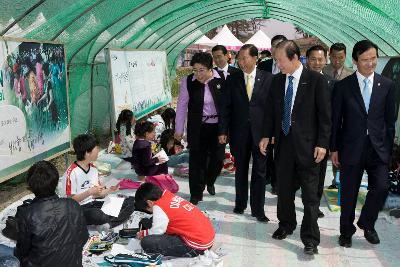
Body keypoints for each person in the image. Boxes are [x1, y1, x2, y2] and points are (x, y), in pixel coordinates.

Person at [259, 40, 331, 255]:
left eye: (280, 60)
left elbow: (325, 117)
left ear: (293, 58)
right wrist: (266, 135)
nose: (277, 64)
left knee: (310, 197)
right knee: (284, 191)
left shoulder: (317, 81)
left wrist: (322, 144)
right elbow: (270, 112)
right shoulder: (276, 81)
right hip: (284, 143)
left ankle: (310, 239)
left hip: (309, 147)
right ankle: (286, 224)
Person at [330, 40, 396, 247]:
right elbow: (335, 121)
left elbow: (389, 121)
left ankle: (367, 223)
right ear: (355, 60)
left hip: (378, 148)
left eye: (373, 58)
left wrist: (390, 151)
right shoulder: (343, 87)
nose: (370, 63)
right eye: (365, 59)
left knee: (382, 186)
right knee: (349, 191)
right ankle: (346, 232)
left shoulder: (387, 86)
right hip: (351, 147)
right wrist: (334, 148)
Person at [219, 44, 273, 222]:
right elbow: (225, 108)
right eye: (238, 59)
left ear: (255, 58)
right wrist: (223, 131)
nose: (240, 62)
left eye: (244, 58)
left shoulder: (268, 79)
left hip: (261, 135)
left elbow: (273, 109)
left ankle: (258, 209)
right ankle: (240, 203)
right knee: (240, 169)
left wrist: (270, 133)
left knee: (260, 171)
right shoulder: (232, 79)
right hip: (239, 133)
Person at [175, 52, 226, 204]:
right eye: (195, 70)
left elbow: (227, 106)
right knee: (197, 161)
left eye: (201, 70)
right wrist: (179, 129)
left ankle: (209, 181)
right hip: (198, 127)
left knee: (217, 160)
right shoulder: (188, 81)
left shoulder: (221, 79)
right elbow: (182, 105)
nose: (197, 74)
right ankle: (196, 193)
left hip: (218, 128)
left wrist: (226, 129)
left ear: (211, 68)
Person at [15, 160, 88, 267]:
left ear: (31, 188)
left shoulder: (28, 214)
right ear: (56, 182)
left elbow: (22, 251)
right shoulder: (73, 205)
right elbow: (84, 237)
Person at [59, 134, 135, 228]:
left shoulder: (93, 169)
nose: (98, 151)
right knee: (97, 215)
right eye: (96, 148)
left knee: (131, 201)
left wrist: (110, 190)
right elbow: (71, 201)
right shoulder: (71, 173)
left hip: (94, 203)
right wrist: (89, 192)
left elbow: (97, 194)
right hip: (79, 209)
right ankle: (111, 219)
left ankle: (109, 224)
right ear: (87, 153)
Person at [135, 183, 215, 257]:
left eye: (147, 209)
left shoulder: (158, 207)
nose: (150, 211)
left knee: (146, 242)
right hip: (206, 236)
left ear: (149, 203)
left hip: (197, 247)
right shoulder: (168, 195)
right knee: (148, 221)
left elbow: (157, 231)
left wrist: (144, 234)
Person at [306, 44, 336, 218]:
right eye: (313, 59)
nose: (317, 63)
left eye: (320, 59)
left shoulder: (332, 84)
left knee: (319, 174)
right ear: (307, 60)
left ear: (326, 60)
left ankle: (314, 204)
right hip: (301, 137)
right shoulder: (299, 80)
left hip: (321, 138)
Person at [257, 35, 287, 194]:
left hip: (283, 115)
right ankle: (267, 176)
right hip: (265, 114)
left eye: (281, 45)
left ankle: (277, 182)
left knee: (280, 151)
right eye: (275, 45)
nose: (277, 49)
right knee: (266, 149)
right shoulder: (263, 66)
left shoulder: (289, 67)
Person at [323, 42, 354, 189]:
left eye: (340, 57)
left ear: (345, 57)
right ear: (329, 56)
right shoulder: (323, 71)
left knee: (339, 150)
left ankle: (337, 180)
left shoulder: (351, 74)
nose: (337, 61)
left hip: (342, 119)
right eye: (334, 57)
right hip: (324, 116)